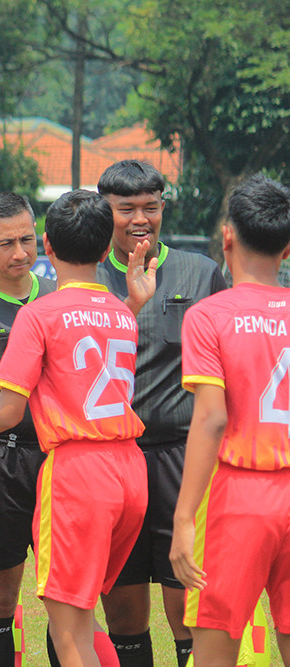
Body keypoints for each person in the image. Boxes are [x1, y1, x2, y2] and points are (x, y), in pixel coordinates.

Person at [0, 189, 156, 667]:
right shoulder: (120, 312)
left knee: (70, 633)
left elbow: (5, 412)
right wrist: (133, 302)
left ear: (46, 246)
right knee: (82, 613)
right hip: (131, 469)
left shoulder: (38, 314)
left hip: (77, 471)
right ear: (108, 249)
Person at [95, 160, 228, 667]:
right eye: (125, 208)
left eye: (150, 207)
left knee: (187, 605)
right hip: (115, 460)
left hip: (182, 458)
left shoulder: (199, 272)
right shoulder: (86, 280)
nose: (139, 219)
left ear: (163, 208)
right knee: (124, 612)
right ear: (103, 211)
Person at [169, 174, 290, 667]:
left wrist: (182, 517)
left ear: (227, 236)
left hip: (238, 496)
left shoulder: (209, 315)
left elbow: (212, 418)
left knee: (216, 650)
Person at [0, 193, 56, 667]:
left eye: (26, 239)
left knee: (64, 599)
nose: (20, 252)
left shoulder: (60, 296)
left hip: (59, 460)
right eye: (6, 243)